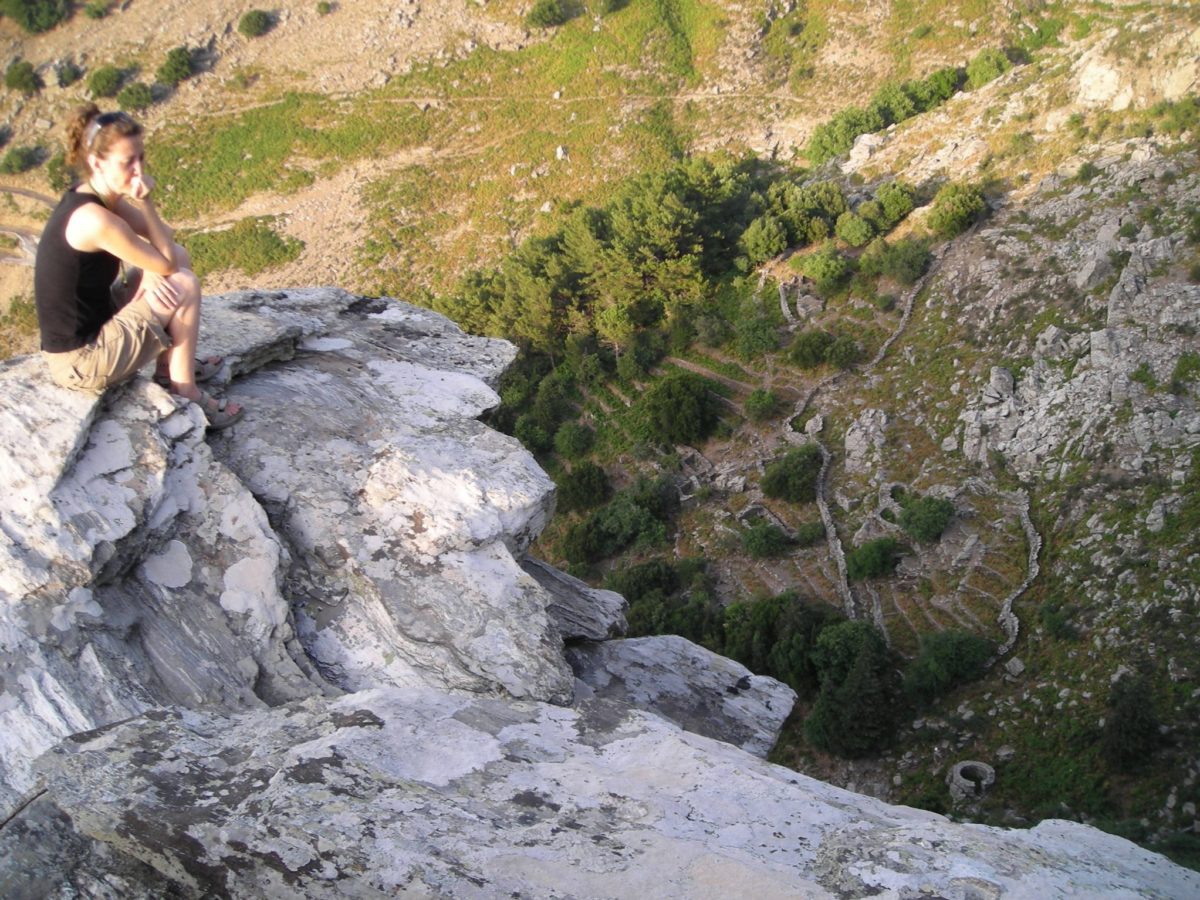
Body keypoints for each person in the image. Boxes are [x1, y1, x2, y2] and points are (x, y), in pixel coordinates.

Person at [34, 104, 243, 428]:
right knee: (184, 283)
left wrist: (154, 267)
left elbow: (165, 240)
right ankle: (184, 390)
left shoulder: (96, 197)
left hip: (97, 325)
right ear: (97, 163)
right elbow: (164, 263)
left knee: (179, 257)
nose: (138, 170)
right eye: (127, 162)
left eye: (141, 158)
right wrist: (145, 201)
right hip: (81, 360)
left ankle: (169, 368)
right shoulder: (94, 219)